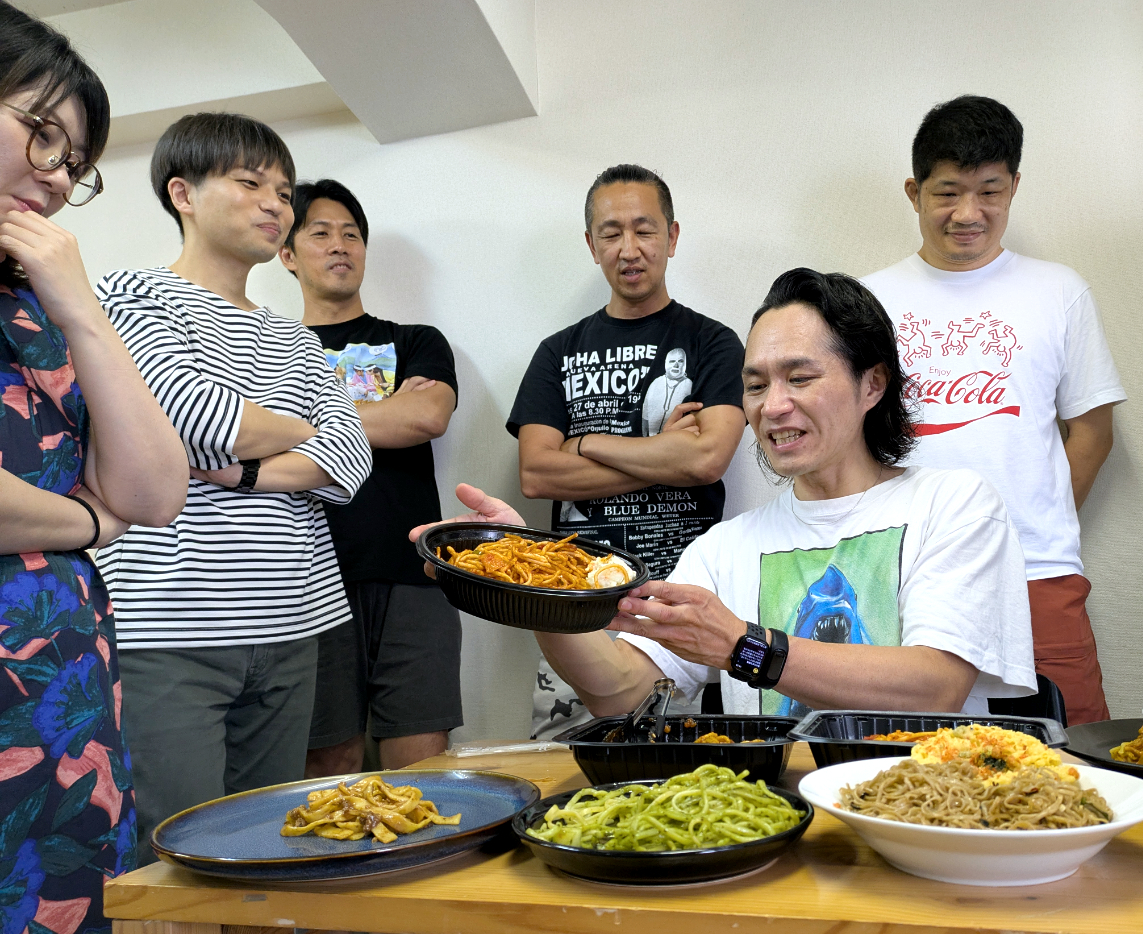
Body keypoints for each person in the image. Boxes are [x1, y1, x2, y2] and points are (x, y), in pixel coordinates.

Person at [418, 269, 1036, 719]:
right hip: (777, 824)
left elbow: (936, 686)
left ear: (872, 383)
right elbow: (622, 692)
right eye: (756, 385)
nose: (773, 406)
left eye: (800, 377)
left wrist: (744, 646)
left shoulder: (954, 504)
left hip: (920, 816)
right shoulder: (725, 548)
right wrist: (534, 587)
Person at [93, 115, 372, 864]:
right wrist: (297, 428)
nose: (275, 204)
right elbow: (189, 414)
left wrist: (246, 467)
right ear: (182, 193)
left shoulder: (297, 337)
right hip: (171, 625)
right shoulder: (131, 294)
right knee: (172, 855)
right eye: (251, 183)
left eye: (282, 190)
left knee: (266, 851)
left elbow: (351, 456)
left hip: (294, 621)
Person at [0, 3, 189, 928]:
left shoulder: (37, 298)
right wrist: (84, 520)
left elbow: (155, 490)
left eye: (74, 161)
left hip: (60, 695)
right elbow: (110, 508)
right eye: (41, 133)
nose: (57, 175)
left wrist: (81, 308)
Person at [862, 96, 1126, 725]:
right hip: (901, 567)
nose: (968, 213)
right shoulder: (867, 301)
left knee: (1074, 746)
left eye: (989, 192)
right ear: (914, 193)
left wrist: (1037, 516)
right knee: (907, 747)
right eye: (947, 193)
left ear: (1014, 188)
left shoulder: (1060, 291)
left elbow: (1092, 432)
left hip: (1037, 569)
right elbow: (850, 437)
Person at [506, 164, 746, 738]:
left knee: (688, 774)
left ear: (672, 236)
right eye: (611, 233)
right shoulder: (557, 352)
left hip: (680, 600)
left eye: (644, 229)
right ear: (592, 246)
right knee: (567, 766)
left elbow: (707, 460)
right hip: (578, 602)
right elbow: (537, 472)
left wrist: (584, 444)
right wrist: (663, 454)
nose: (629, 248)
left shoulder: (713, 342)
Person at [279, 179, 463, 774]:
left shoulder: (415, 341)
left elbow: (425, 416)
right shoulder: (272, 351)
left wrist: (297, 420)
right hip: (307, 582)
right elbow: (242, 433)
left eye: (352, 234)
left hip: (415, 573)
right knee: (326, 770)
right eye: (321, 233)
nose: (340, 245)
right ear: (287, 254)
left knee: (421, 770)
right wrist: (384, 411)